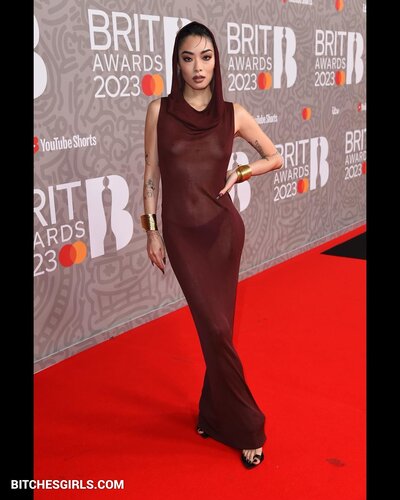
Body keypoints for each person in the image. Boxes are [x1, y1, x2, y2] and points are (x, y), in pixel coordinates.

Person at [141, 21, 283, 469]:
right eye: (188, 58)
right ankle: (245, 424)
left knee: (217, 331)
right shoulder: (159, 111)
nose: (198, 67)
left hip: (223, 234)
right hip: (183, 237)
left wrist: (240, 173)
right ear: (177, 64)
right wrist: (151, 229)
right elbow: (151, 172)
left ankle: (217, 415)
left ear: (216, 60)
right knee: (217, 331)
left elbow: (275, 156)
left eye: (206, 57)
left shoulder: (233, 113)